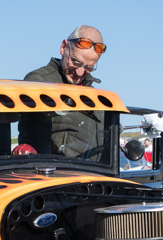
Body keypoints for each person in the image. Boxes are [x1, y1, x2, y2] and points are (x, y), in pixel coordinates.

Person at [19, 25, 106, 158]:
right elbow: (37, 138)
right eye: (76, 61)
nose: (80, 72)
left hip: (90, 170)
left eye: (89, 67)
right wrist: (43, 166)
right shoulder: (39, 82)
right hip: (56, 169)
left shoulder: (95, 97)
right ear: (63, 47)